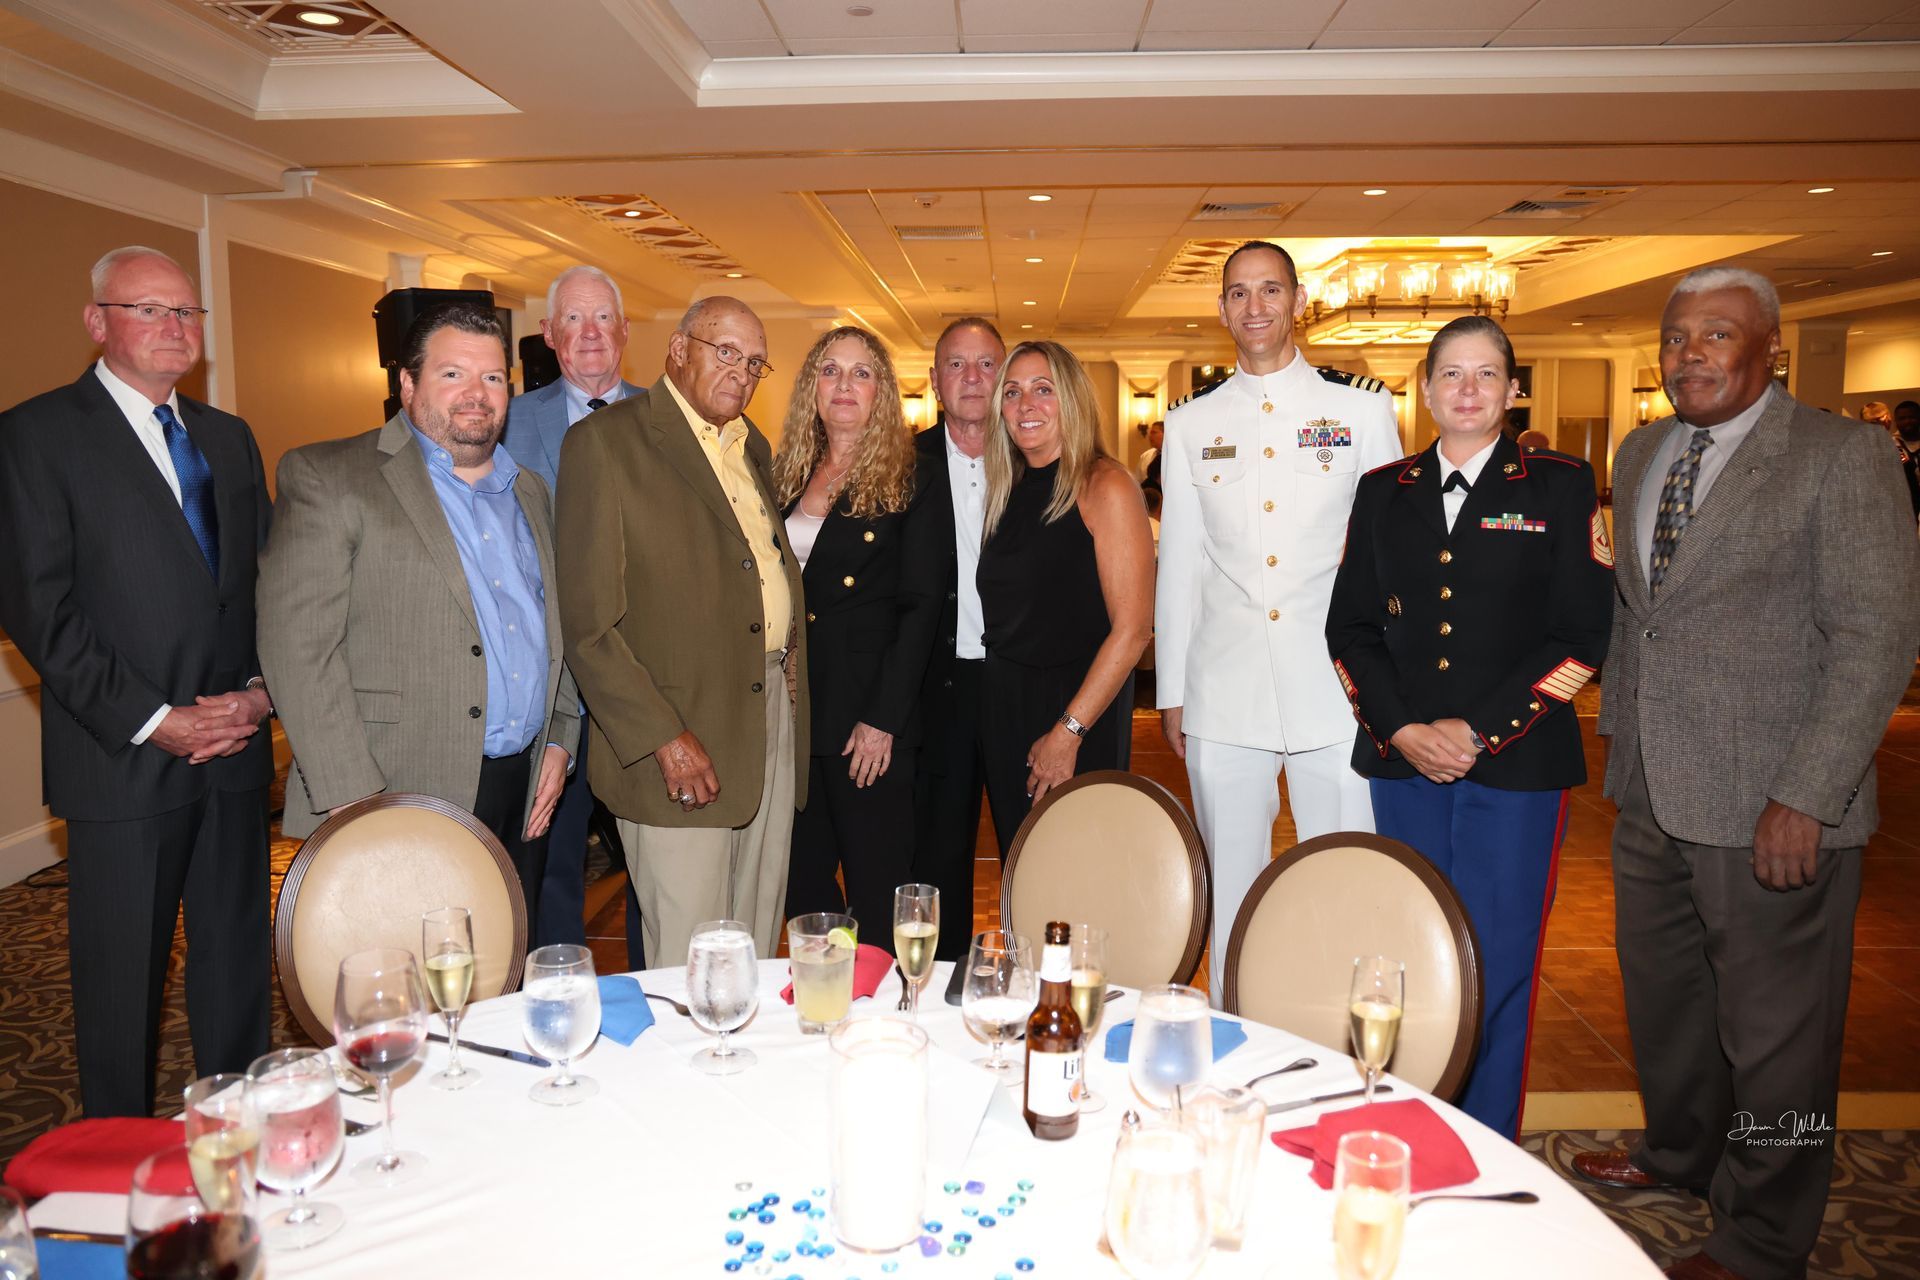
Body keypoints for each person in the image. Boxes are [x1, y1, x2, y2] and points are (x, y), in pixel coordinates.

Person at [1576, 267, 1919, 1280]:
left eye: (1715, 334)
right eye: (1676, 337)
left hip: (1775, 802)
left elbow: (1877, 637)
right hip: (1651, 790)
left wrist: (1808, 793)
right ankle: (1681, 1154)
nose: (1690, 353)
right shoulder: (1643, 451)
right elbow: (1645, 622)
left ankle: (1764, 1238)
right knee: (1670, 1004)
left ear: (1768, 344)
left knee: (1779, 1038)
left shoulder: (1839, 455)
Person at [1326, 315, 1614, 1139]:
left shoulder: (1557, 485)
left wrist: (1479, 731)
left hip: (1516, 767)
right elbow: (1350, 630)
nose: (1468, 391)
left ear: (1514, 391)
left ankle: (1485, 1142)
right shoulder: (1385, 490)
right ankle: (1412, 1123)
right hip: (1405, 764)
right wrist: (1404, 728)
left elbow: (1584, 637)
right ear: (1424, 389)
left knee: (1499, 961)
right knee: (1412, 952)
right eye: (1451, 374)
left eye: (1487, 375)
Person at [0, 246, 272, 1116]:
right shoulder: (36, 435)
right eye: (149, 310)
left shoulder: (227, 438)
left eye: (186, 314)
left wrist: (262, 694)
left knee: (236, 964)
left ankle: (239, 1126)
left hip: (233, 752)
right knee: (121, 986)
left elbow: (265, 585)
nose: (174, 328)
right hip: (122, 761)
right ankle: (114, 1158)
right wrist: (157, 719)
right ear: (98, 322)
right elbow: (40, 611)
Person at [259, 302, 579, 927]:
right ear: (406, 384)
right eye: (452, 375)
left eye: (492, 378)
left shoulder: (531, 492)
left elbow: (557, 628)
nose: (476, 395)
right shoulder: (331, 476)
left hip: (524, 784)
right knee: (408, 995)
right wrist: (355, 799)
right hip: (397, 785)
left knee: (501, 976)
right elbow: (297, 649)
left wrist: (561, 743)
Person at [1155, 239, 1402, 999]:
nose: (1254, 306)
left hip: (1338, 691)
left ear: (1299, 302)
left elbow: (1386, 554)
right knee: (1233, 890)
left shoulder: (1359, 407)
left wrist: (1390, 688)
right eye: (1237, 292)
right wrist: (1172, 690)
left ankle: (1342, 1036)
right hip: (1224, 692)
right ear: (1221, 307)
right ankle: (1238, 1030)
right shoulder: (1191, 423)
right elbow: (1182, 566)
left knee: (1343, 874)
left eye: (1270, 290)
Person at [554, 297, 807, 963]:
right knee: (691, 960)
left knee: (752, 942)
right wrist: (666, 739)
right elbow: (588, 626)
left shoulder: (751, 444)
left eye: (754, 362)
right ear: (677, 349)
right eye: (725, 352)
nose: (741, 373)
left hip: (765, 723)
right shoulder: (607, 442)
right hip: (679, 734)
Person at [773, 327, 943, 941]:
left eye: (862, 372)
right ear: (810, 387)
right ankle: (820, 1017)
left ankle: (882, 1027)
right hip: (793, 713)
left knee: (877, 887)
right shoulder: (783, 473)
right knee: (804, 887)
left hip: (867, 721)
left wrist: (883, 719)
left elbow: (921, 607)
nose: (844, 385)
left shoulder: (916, 477)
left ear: (883, 392)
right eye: (830, 370)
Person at [503, 265, 646, 958]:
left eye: (602, 319)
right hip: (549, 683)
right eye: (573, 320)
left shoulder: (670, 417)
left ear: (624, 331)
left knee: (655, 866)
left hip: (645, 682)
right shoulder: (505, 425)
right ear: (549, 335)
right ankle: (559, 1010)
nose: (589, 335)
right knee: (551, 862)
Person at [977, 340, 1153, 852]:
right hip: (1006, 702)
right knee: (1021, 866)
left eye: (1042, 389)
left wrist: (1068, 731)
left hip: (1079, 707)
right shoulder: (1004, 488)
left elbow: (1133, 629)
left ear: (1071, 399)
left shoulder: (1105, 485)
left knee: (1078, 874)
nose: (1025, 404)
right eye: (1012, 392)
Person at [910, 317, 1005, 960]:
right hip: (934, 691)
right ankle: (939, 991)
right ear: (937, 381)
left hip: (1019, 685)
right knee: (937, 851)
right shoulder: (900, 464)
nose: (972, 378)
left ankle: (1032, 988)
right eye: (956, 364)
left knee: (1035, 845)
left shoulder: (1037, 459)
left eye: (986, 364)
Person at [1891, 399, 1920, 518]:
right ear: (1896, 421)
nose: (1907, 421)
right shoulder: (1889, 445)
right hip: (1904, 509)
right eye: (1902, 418)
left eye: (1911, 417)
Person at [1138, 420, 1164, 489]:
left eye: (1154, 432)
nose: (1150, 436)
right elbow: (1138, 480)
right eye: (1150, 433)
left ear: (1165, 434)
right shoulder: (1145, 456)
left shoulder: (1174, 457)